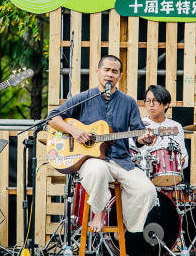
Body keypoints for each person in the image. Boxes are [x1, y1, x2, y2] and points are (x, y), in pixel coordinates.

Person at [48, 55, 157, 234]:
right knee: (98, 170)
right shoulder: (83, 98)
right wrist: (74, 131)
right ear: (97, 71)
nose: (110, 74)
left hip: (122, 161)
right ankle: (99, 211)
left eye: (114, 71)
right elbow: (53, 118)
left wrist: (144, 138)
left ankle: (125, 224)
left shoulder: (129, 102)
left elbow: (139, 134)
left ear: (120, 76)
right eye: (106, 70)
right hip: (92, 159)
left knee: (147, 191)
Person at [129, 85, 189, 173]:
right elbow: (130, 152)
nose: (151, 105)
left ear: (166, 104)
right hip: (142, 173)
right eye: (148, 101)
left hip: (169, 175)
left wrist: (182, 160)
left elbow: (184, 155)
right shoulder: (138, 125)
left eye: (155, 101)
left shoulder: (176, 127)